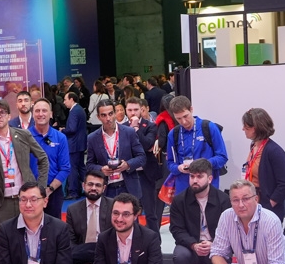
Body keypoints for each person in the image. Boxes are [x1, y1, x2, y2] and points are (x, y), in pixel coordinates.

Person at [168, 159, 230, 264]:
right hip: (191, 246)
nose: (194, 180)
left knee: (223, 257)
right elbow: (176, 229)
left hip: (215, 246)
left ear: (209, 178)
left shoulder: (223, 200)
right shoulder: (179, 200)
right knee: (179, 257)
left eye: (199, 176)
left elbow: (228, 230)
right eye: (192, 176)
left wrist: (214, 244)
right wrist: (193, 245)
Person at [0, 99, 49, 229]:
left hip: (26, 199)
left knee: (31, 235)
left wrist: (40, 189)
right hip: (0, 203)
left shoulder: (23, 135)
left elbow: (43, 159)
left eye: (2, 112)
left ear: (9, 116)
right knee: (4, 239)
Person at [164, 95, 229, 192]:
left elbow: (222, 157)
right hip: (183, 188)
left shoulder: (209, 127)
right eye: (179, 118)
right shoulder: (173, 134)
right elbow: (170, 163)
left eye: (185, 116)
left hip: (207, 187)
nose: (183, 122)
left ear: (191, 109)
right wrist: (178, 168)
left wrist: (203, 165)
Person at [86, 98, 146, 199]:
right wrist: (101, 169)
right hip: (107, 189)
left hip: (128, 186)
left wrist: (128, 165)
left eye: (110, 114)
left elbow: (142, 157)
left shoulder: (129, 132)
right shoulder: (92, 138)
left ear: (115, 113)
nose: (108, 118)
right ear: (98, 117)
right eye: (104, 115)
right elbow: (89, 165)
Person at [241, 107, 285, 227]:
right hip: (253, 202)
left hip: (267, 208)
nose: (243, 129)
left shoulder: (275, 151)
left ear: (255, 128)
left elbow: (284, 184)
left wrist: (270, 204)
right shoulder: (254, 146)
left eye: (246, 127)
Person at [28, 98, 71, 218]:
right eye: (37, 111)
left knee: (53, 227)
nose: (41, 114)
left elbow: (65, 168)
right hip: (29, 193)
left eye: (44, 110)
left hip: (53, 192)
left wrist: (49, 190)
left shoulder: (60, 138)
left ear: (51, 114)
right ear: (33, 114)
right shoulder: (24, 137)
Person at [66, 171, 113, 264]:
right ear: (83, 186)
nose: (93, 188)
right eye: (90, 184)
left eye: (98, 185)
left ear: (104, 188)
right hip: (81, 254)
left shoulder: (113, 206)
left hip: (107, 253)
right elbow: (70, 241)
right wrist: (85, 261)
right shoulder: (73, 209)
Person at [127, 97, 163, 231]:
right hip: (129, 173)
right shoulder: (121, 127)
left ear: (141, 110)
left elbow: (148, 144)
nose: (133, 113)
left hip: (146, 173)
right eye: (130, 110)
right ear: (126, 110)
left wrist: (136, 129)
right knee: (131, 211)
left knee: (150, 212)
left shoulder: (150, 126)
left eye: (136, 109)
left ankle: (155, 241)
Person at [62, 90, 88, 198]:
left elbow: (72, 129)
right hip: (80, 144)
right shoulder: (80, 109)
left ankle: (73, 192)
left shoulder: (74, 111)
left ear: (71, 99)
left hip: (73, 144)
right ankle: (89, 188)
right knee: (81, 168)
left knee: (72, 168)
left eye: (65, 100)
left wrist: (63, 130)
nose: (64, 102)